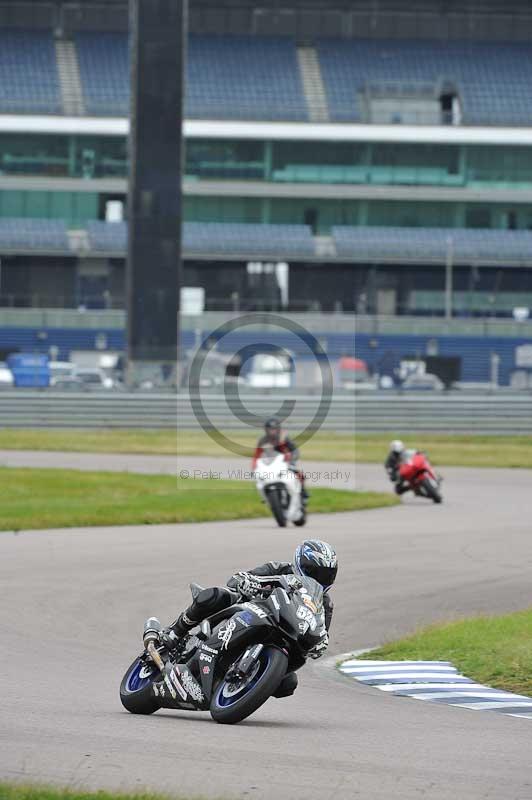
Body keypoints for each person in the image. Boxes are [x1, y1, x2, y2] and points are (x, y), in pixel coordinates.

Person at [164, 539, 338, 698]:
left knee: (288, 684)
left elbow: (321, 633)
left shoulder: (324, 604)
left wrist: (320, 644)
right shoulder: (279, 569)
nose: (318, 578)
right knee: (217, 595)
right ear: (300, 563)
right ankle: (174, 632)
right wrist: (248, 582)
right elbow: (237, 578)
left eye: (326, 575)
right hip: (249, 612)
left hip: (283, 635)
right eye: (314, 572)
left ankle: (241, 686)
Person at [252, 417, 308, 500]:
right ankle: (266, 496)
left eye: (274, 429)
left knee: (297, 473)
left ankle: (303, 492)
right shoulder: (263, 440)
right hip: (272, 463)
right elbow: (257, 455)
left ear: (278, 429)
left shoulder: (284, 438)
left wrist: (291, 460)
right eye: (270, 429)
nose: (272, 432)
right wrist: (254, 466)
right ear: (266, 430)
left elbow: (294, 451)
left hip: (286, 461)